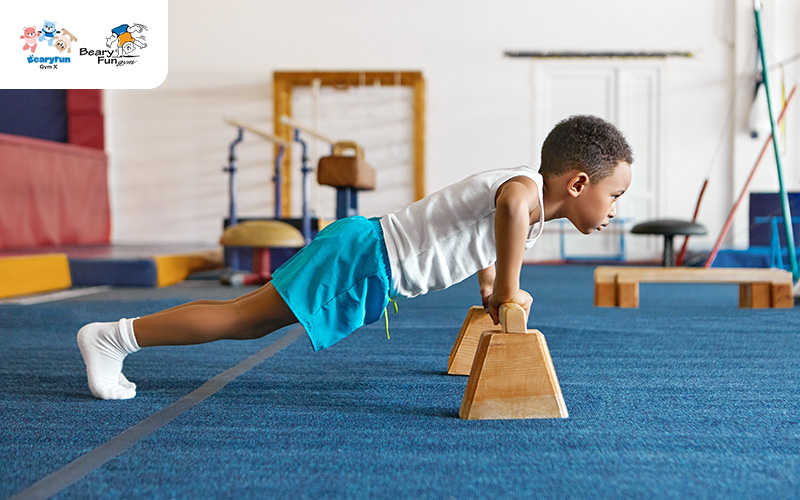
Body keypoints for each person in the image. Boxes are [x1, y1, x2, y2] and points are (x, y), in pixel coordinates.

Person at [77, 114, 633, 400]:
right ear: (579, 182)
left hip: (367, 259)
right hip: (364, 257)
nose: (614, 211)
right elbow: (508, 208)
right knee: (244, 320)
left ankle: (117, 337)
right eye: (615, 196)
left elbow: (489, 234)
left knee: (248, 321)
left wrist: (490, 288)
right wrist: (510, 289)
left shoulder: (529, 207)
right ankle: (113, 337)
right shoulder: (523, 191)